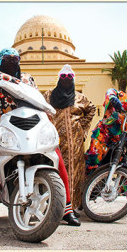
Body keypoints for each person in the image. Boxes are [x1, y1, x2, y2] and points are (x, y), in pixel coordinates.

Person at [0, 48, 80, 228]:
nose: (12, 62)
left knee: (56, 158)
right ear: (0, 61)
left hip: (33, 126)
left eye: (15, 59)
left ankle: (67, 209)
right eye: (7, 59)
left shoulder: (28, 79)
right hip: (9, 128)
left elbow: (36, 98)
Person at [43, 65, 96, 214]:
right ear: (59, 79)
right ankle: (54, 208)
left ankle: (70, 208)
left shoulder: (79, 97)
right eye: (63, 77)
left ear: (73, 79)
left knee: (74, 173)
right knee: (54, 172)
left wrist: (82, 127)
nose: (66, 79)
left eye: (69, 77)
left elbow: (91, 109)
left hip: (75, 142)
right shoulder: (48, 95)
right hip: (53, 142)